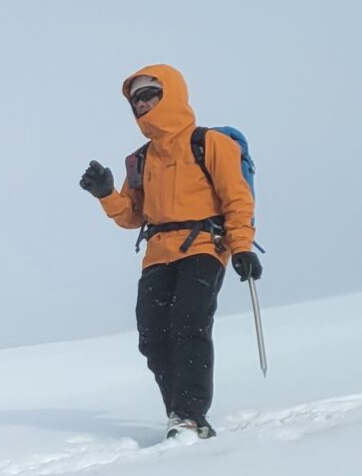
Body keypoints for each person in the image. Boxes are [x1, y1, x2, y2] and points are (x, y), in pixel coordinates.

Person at [79, 65, 262, 439]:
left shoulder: (209, 143)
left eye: (150, 94)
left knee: (189, 324)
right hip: (158, 253)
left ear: (172, 93)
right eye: (136, 99)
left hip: (205, 246)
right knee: (153, 337)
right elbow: (133, 216)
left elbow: (237, 198)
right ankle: (179, 414)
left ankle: (191, 416)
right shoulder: (141, 159)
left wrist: (242, 245)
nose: (141, 103)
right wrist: (106, 195)